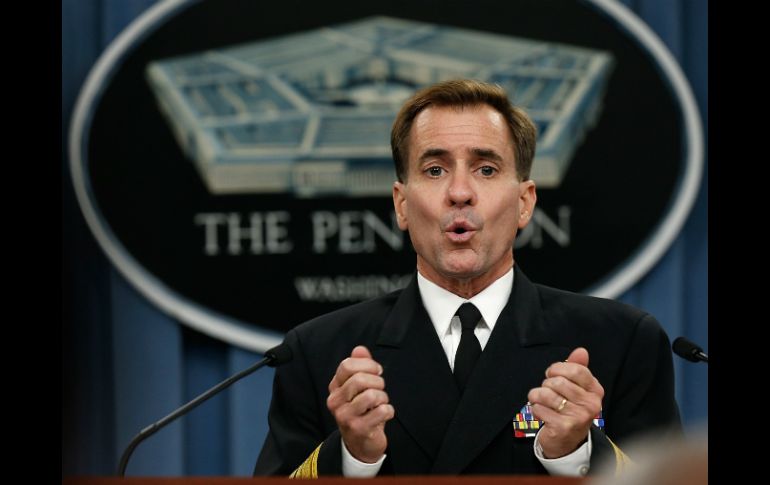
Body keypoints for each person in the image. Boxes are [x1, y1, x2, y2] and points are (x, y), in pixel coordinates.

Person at [253, 79, 681, 477]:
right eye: (435, 170)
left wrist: (576, 454)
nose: (459, 192)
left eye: (486, 169)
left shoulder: (620, 342)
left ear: (524, 202)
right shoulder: (318, 354)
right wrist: (351, 457)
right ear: (401, 205)